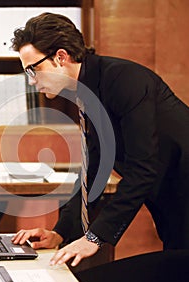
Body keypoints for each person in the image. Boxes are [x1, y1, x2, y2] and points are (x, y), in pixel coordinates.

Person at [10, 12, 189, 267]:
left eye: (33, 69)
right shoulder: (87, 91)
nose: (32, 81)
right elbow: (92, 169)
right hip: (172, 202)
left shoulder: (124, 81)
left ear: (60, 57)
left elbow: (143, 169)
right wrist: (59, 232)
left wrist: (94, 238)